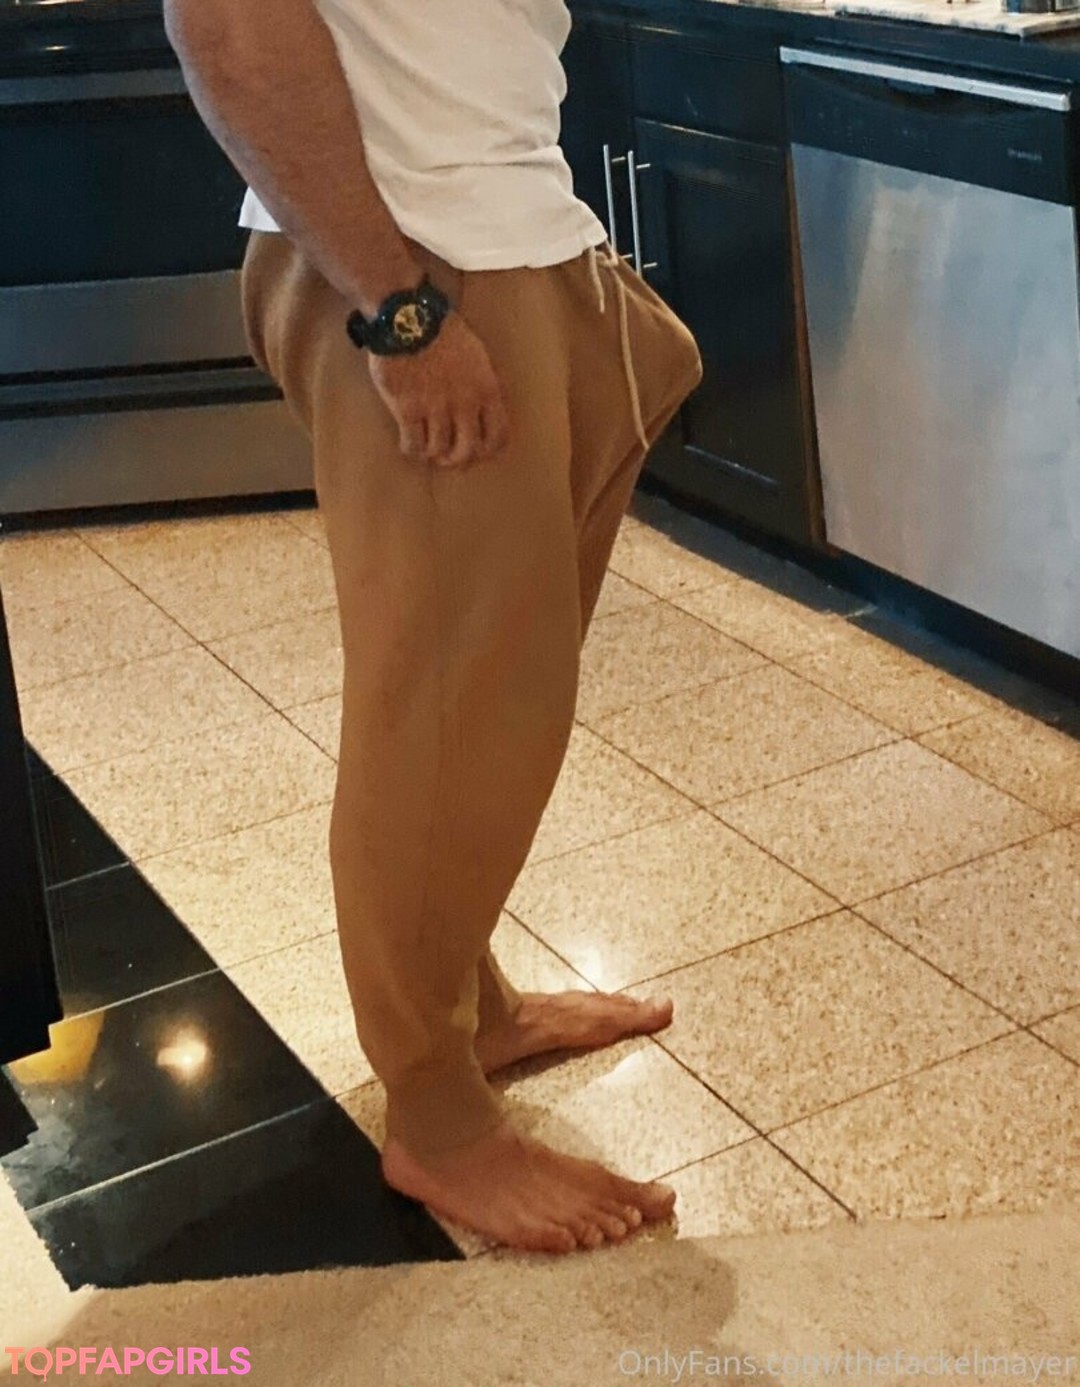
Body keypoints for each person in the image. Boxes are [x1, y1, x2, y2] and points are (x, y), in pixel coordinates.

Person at [164, 0, 704, 1255]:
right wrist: (399, 312)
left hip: (496, 235)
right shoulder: (407, 290)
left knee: (497, 699)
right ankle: (438, 1116)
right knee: (451, 720)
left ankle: (472, 1007)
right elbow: (231, 29)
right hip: (419, 266)